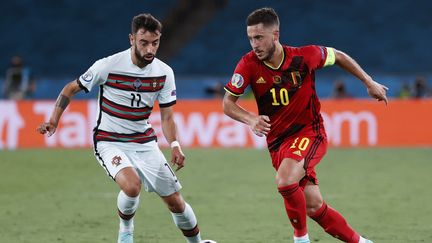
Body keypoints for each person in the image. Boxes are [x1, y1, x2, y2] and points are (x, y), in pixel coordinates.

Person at [37, 13, 213, 243]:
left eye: (155, 42)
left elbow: (167, 117)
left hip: (144, 142)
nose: (150, 49)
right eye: (144, 42)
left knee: (176, 202)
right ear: (132, 39)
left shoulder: (164, 73)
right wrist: (54, 120)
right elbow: (71, 88)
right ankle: (126, 230)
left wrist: (175, 145)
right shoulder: (108, 65)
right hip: (109, 141)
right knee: (132, 186)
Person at [223, 7, 388, 243]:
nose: (254, 44)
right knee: (313, 206)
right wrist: (251, 119)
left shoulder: (304, 57)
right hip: (277, 142)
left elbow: (339, 56)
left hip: (310, 133)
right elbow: (227, 104)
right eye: (250, 38)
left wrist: (368, 82)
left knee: (285, 180)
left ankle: (300, 240)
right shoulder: (248, 64)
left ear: (276, 35)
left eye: (259, 37)